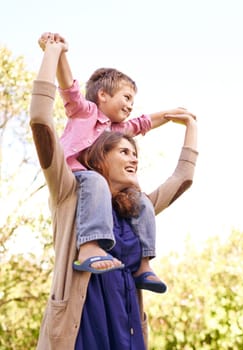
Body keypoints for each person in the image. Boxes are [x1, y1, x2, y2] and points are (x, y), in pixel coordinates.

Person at [31, 37, 198, 349]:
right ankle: (89, 247)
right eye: (124, 152)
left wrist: (189, 123)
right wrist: (54, 51)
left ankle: (145, 265)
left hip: (126, 333)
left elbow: (183, 177)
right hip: (82, 333)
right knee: (92, 182)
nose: (134, 158)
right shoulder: (70, 192)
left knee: (137, 199)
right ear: (100, 155)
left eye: (134, 153)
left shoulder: (134, 208)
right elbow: (41, 119)